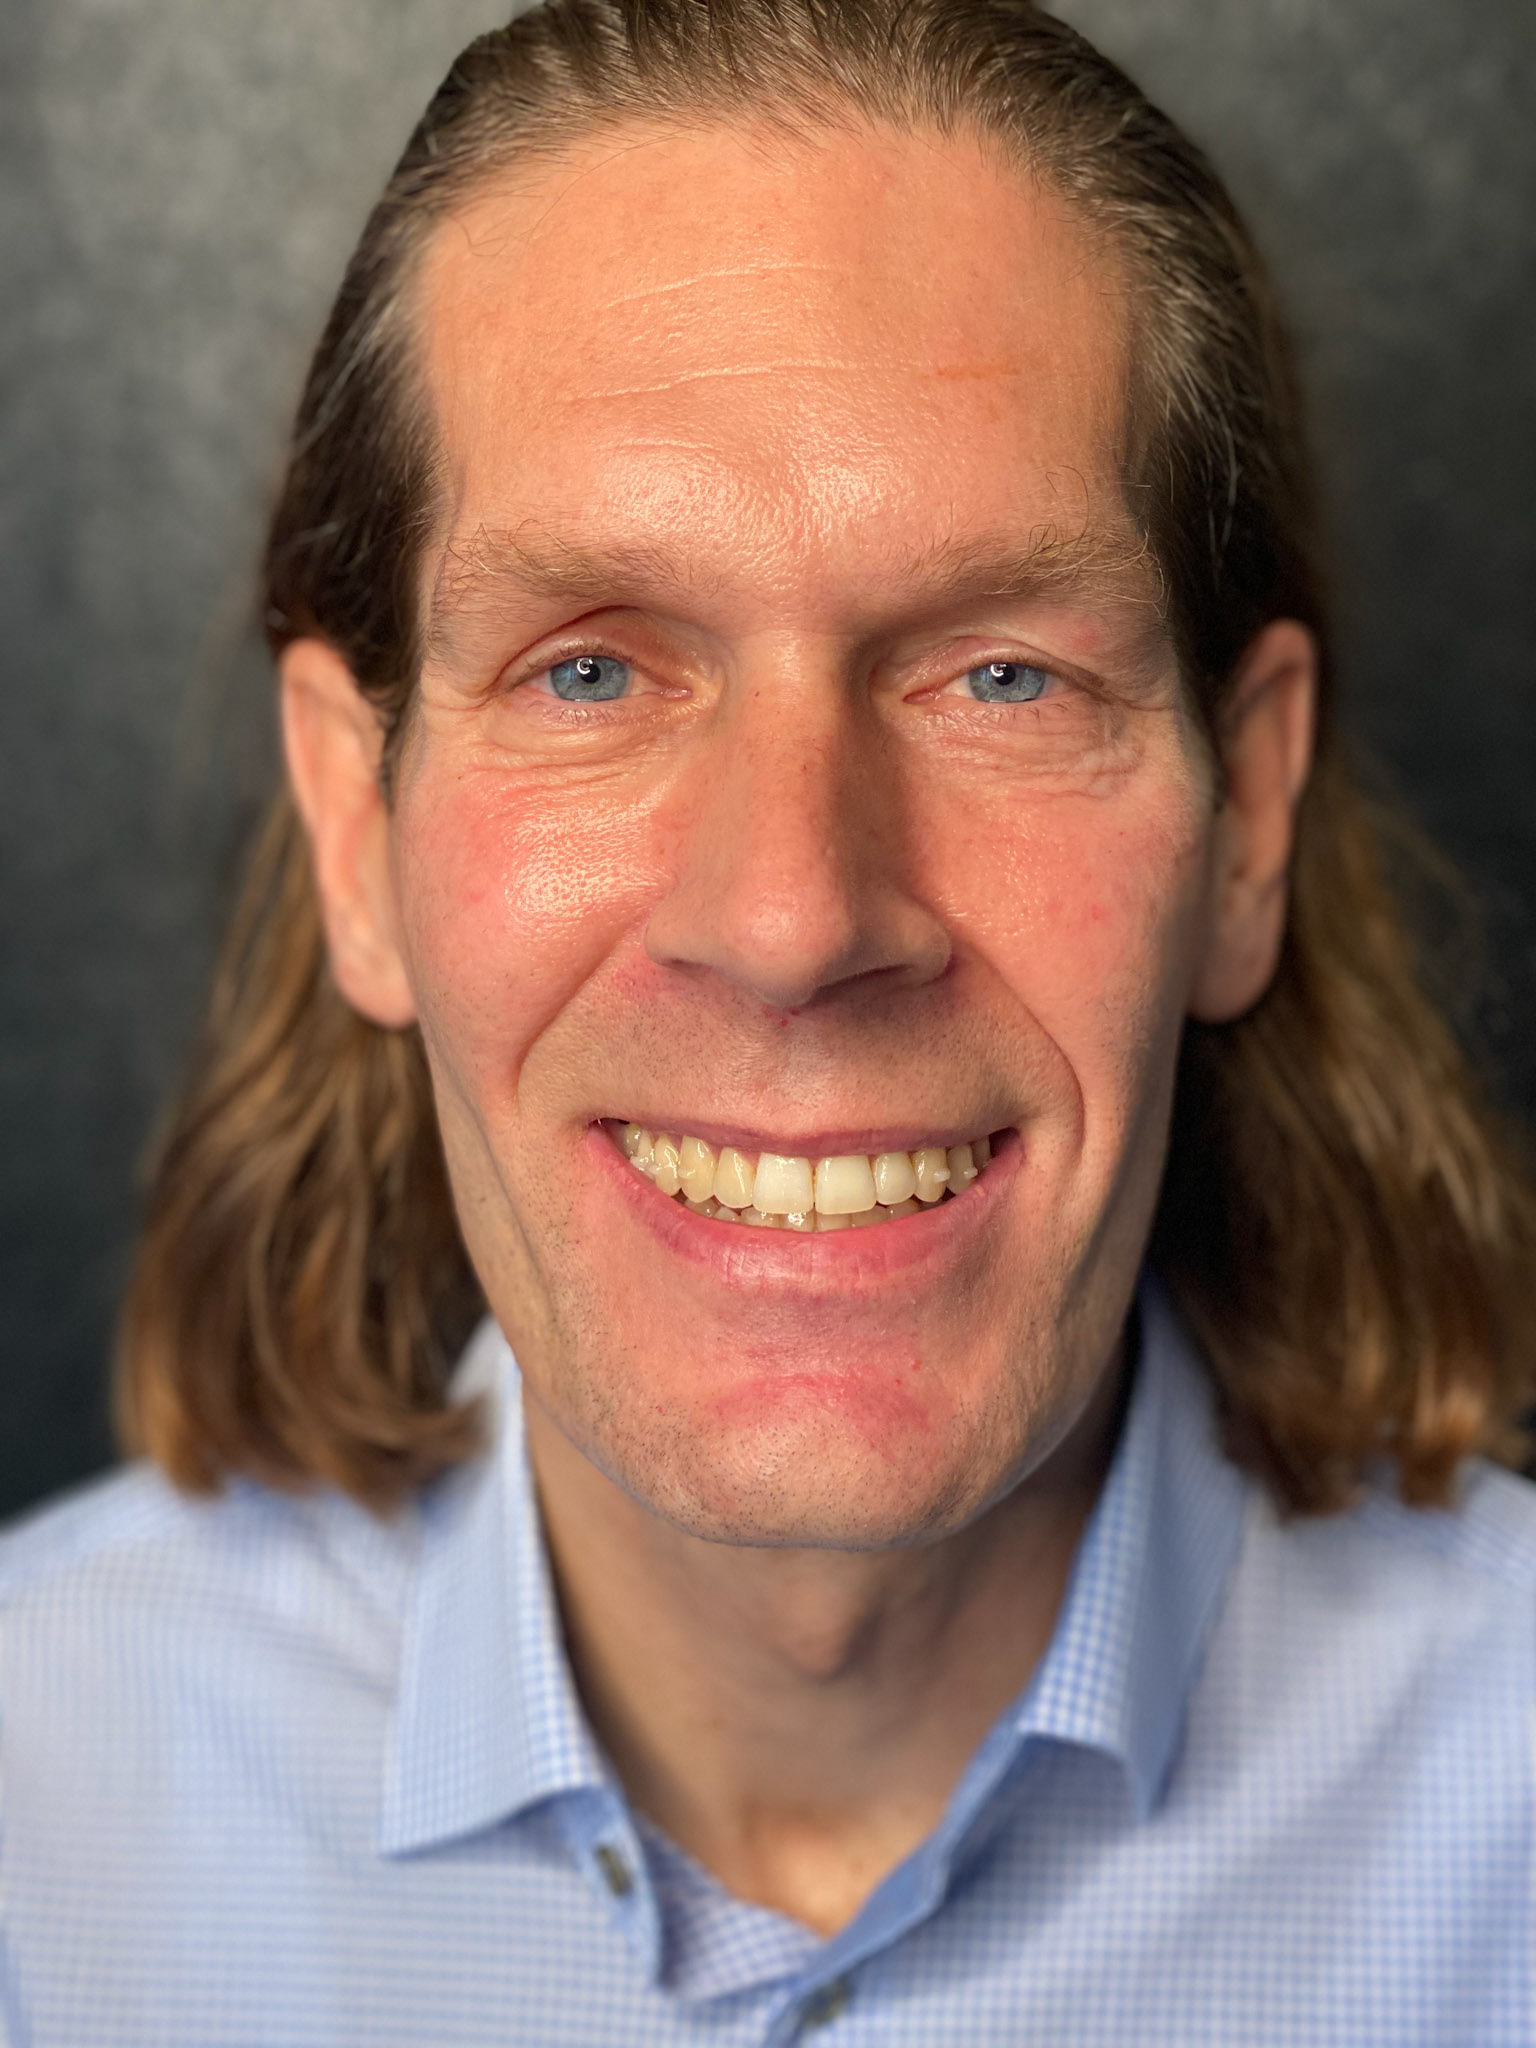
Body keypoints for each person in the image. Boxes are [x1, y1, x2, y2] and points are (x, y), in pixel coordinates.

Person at [3, 1, 1534, 2041]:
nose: (795, 917)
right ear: (354, 833)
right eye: (590, 671)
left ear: (1245, 824)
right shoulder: (41, 1832)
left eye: (1001, 675)